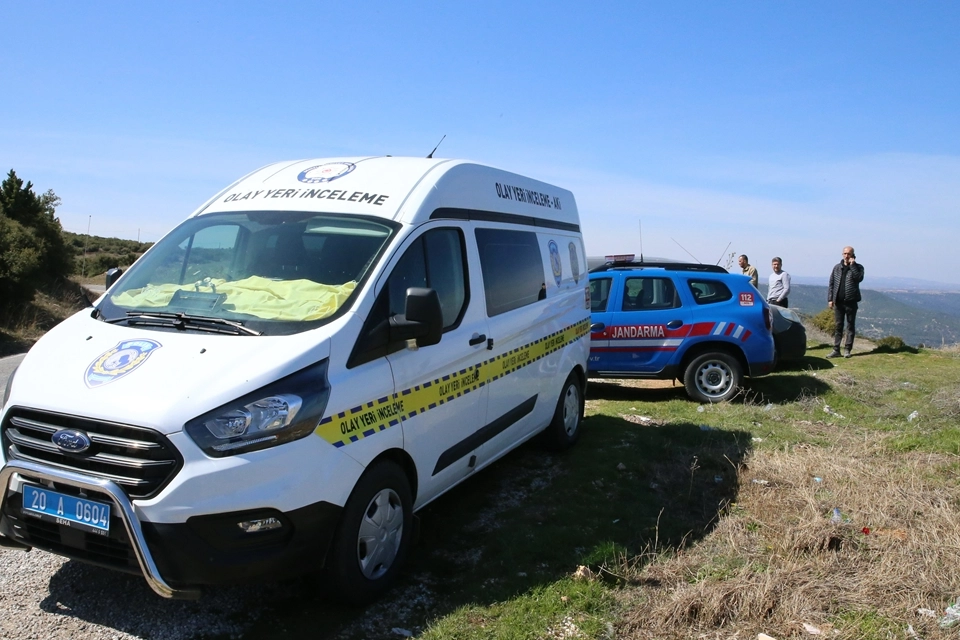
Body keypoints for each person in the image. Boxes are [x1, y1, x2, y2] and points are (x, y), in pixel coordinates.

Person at [827, 246, 865, 358]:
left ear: (853, 255)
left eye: (848, 254)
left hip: (851, 302)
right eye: (844, 253)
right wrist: (830, 299)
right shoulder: (837, 268)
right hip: (838, 302)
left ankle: (847, 350)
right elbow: (832, 284)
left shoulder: (859, 267)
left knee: (850, 326)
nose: (846, 256)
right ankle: (836, 349)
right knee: (838, 326)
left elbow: (858, 278)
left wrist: (853, 265)